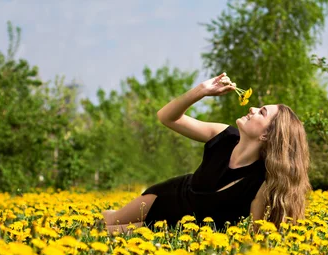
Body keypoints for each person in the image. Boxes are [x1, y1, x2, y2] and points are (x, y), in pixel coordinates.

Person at [101, 72, 311, 235]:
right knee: (106, 222)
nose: (252, 109)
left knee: (105, 233)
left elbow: (257, 234)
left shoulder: (260, 182)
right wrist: (202, 90)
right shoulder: (223, 135)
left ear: (267, 135)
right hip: (166, 197)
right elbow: (166, 117)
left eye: (262, 112)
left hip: (177, 231)